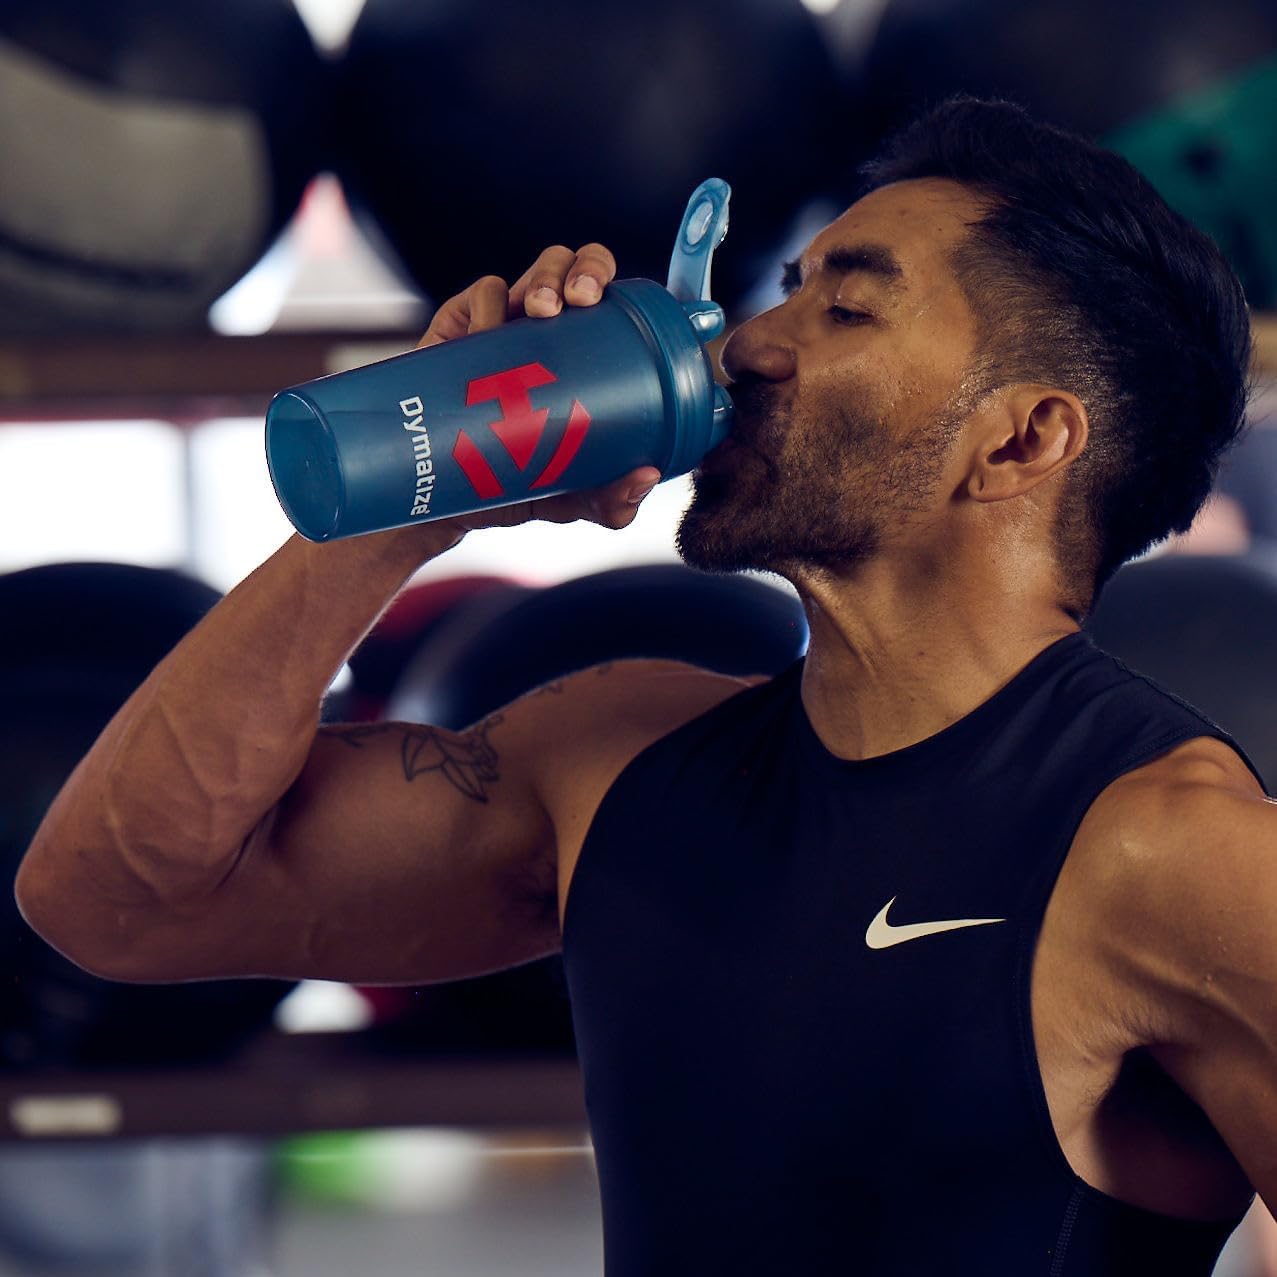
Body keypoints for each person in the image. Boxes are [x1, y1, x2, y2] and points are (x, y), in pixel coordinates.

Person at [15, 96, 1273, 1274]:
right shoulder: (616, 754)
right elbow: (117, 899)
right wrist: (410, 489)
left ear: (1021, 438)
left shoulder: (1176, 852)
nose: (751, 345)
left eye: (845, 310)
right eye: (784, 291)